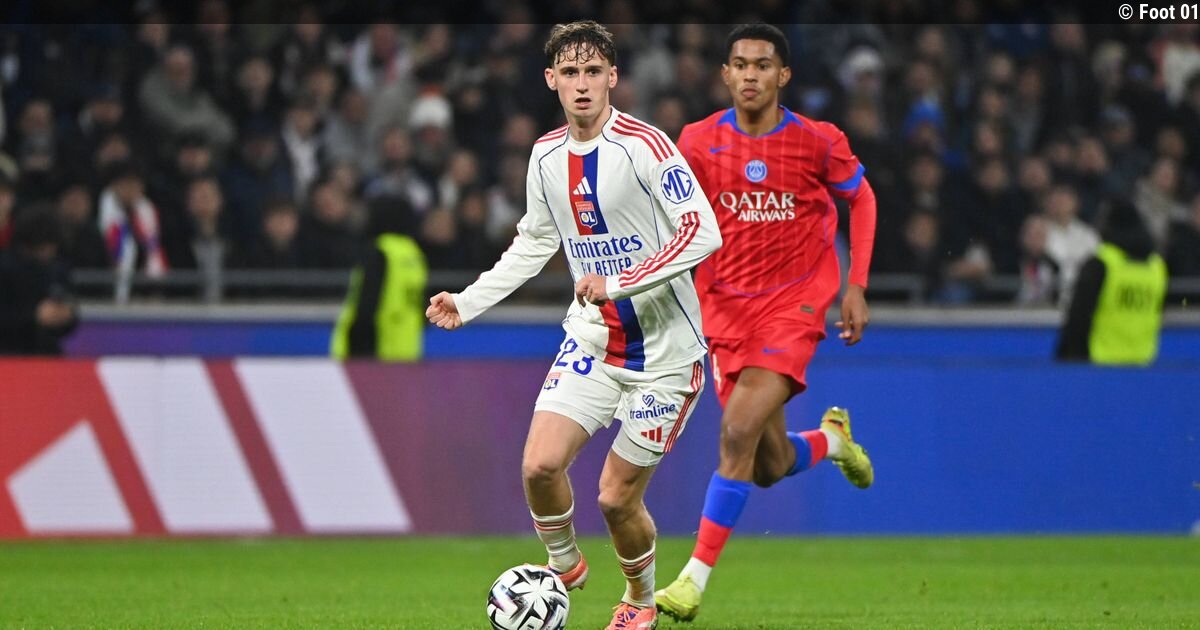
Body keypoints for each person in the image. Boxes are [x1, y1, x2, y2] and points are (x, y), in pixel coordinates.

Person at [425, 21, 720, 630]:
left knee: (615, 498)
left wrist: (621, 280)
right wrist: (469, 301)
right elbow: (534, 242)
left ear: (612, 77)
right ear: (550, 80)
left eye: (592, 72)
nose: (581, 85)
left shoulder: (646, 146)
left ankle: (639, 601)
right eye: (569, 73)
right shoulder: (545, 156)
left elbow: (702, 231)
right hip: (594, 339)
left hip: (666, 357)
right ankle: (564, 564)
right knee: (538, 467)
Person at [655, 24, 878, 622]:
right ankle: (832, 440)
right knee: (767, 464)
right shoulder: (697, 142)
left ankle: (692, 581)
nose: (750, 75)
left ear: (783, 75)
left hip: (793, 306)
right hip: (724, 312)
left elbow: (861, 198)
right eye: (740, 64)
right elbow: (673, 219)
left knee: (736, 430)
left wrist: (855, 285)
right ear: (725, 74)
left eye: (761, 65)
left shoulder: (817, 141)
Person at [1056, 200, 1167, 366]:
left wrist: (1066, 357)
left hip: (1099, 361)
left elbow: (1078, 316)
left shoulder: (1101, 264)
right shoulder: (1157, 267)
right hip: (1142, 361)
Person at [331, 198, 427, 362]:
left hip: (375, 350)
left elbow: (367, 303)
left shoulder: (380, 252)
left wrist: (356, 348)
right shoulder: (414, 254)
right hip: (407, 349)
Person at [0, 203, 78, 355]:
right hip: (8, 353)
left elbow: (69, 310)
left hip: (46, 353)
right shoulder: (5, 268)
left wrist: (66, 316)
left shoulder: (57, 270)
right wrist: (34, 316)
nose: (50, 251)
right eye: (45, 245)